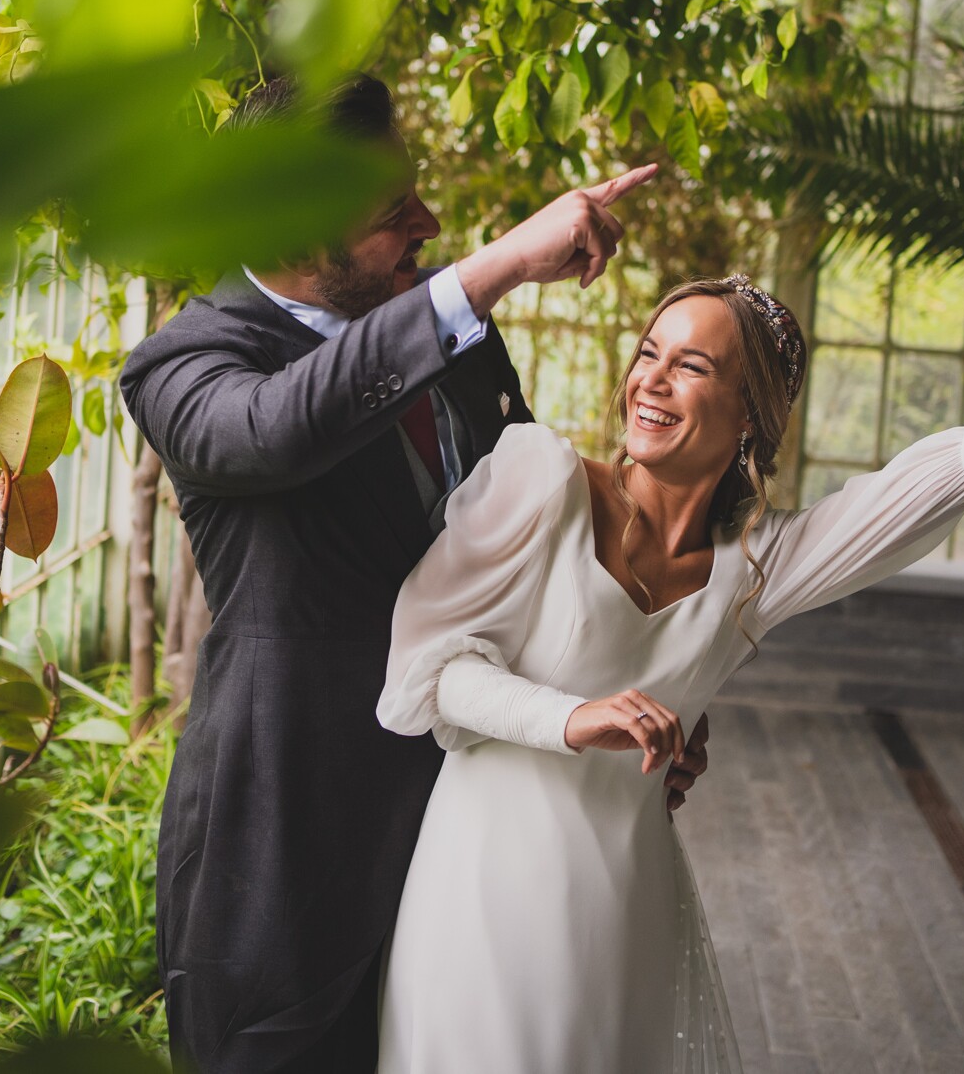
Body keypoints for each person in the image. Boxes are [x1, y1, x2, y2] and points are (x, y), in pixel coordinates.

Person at [377, 275, 964, 1072]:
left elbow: (938, 478)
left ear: (748, 411)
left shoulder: (754, 571)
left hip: (622, 900)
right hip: (482, 883)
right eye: (649, 352)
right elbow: (426, 669)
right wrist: (571, 716)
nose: (650, 380)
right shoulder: (540, 480)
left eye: (691, 365)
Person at [118, 73, 704, 1073]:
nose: (428, 224)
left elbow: (544, 552)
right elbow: (276, 430)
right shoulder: (186, 365)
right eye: (394, 214)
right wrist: (498, 266)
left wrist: (640, 702)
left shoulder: (454, 342)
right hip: (287, 862)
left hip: (474, 839)